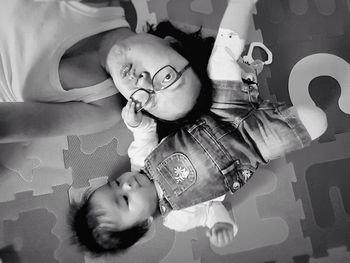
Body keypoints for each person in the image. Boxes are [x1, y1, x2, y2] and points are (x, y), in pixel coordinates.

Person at [68, 0, 328, 256]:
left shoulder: (140, 161)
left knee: (220, 63)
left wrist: (135, 121)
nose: (127, 185)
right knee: (316, 121)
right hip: (254, 145)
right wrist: (221, 224)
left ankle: (240, 6)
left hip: (220, 110)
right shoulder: (178, 219)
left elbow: (145, 131)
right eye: (125, 201)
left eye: (116, 183)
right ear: (145, 225)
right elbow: (210, 212)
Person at [0, 0, 213, 143]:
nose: (144, 85)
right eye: (168, 77)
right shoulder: (98, 5)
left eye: (151, 101)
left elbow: (9, 125)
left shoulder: (102, 111)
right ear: (172, 43)